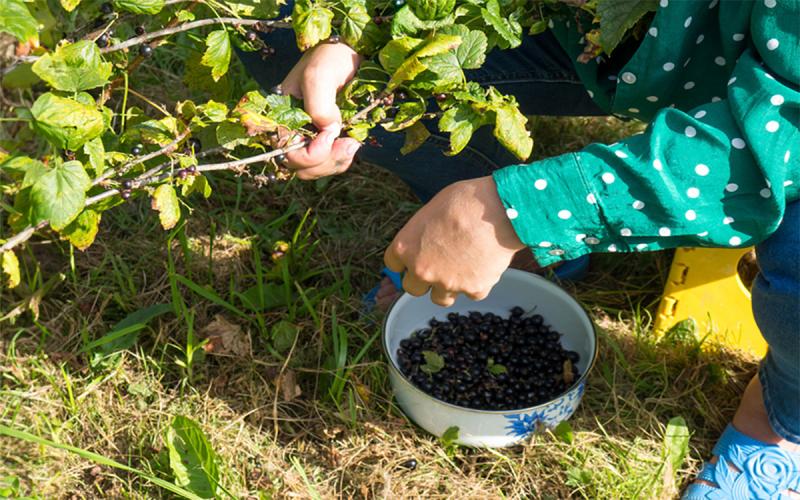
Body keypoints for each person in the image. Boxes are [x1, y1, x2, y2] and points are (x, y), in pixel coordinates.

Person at [239, 0, 799, 496]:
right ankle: (514, 237)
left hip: (779, 96)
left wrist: (517, 210)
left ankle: (776, 422)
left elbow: (785, 128)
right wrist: (360, 35)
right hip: (602, 38)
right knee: (281, 38)